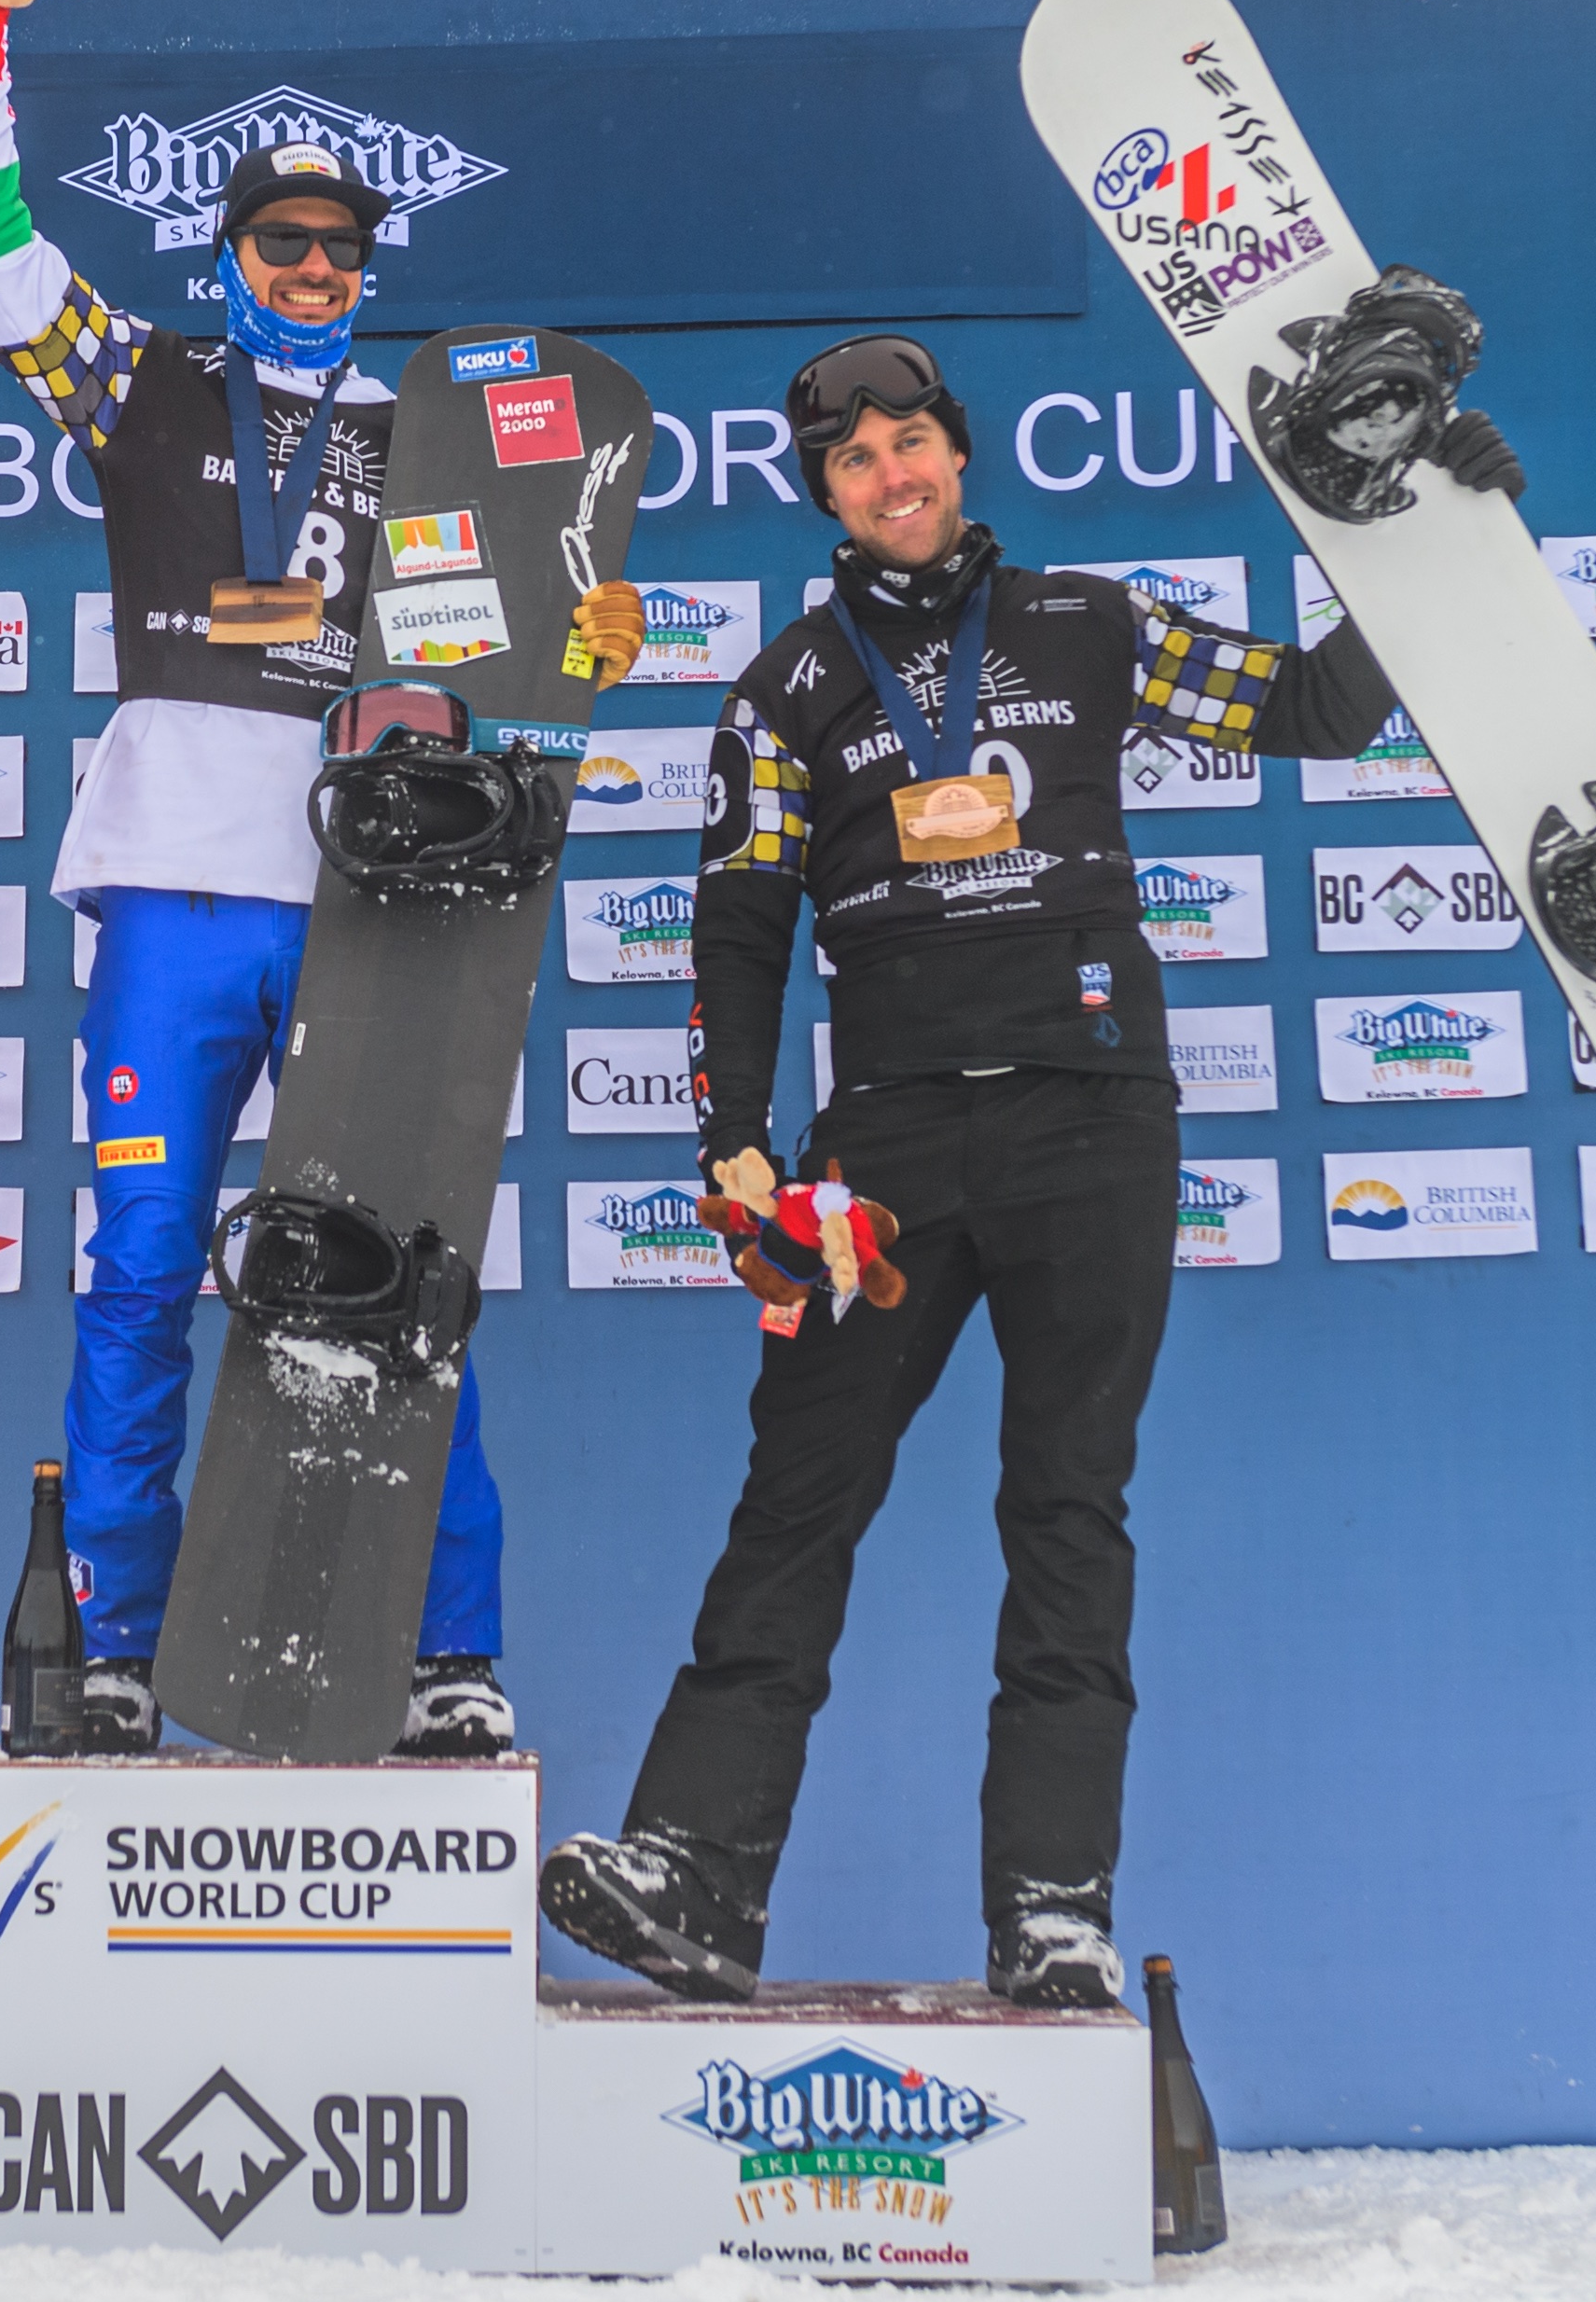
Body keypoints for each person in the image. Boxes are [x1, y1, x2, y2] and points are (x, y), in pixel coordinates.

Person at [541, 326, 1523, 2011]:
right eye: (852, 461)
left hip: (1091, 1126)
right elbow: (738, 928)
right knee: (800, 1500)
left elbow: (1306, 708)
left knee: (1065, 1511)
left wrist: (1439, 538)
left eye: (908, 443)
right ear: (825, 494)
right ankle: (692, 1872)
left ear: (956, 454)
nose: (889, 476)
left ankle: (1048, 1914)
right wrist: (731, 1140)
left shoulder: (1083, 622)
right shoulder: (782, 688)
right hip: (884, 1158)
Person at [0, 0, 641, 1756]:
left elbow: (526, 662)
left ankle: (442, 1652)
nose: (312, 268)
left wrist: (592, 635)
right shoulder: (143, 387)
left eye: (339, 249)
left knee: (401, 1284)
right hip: (174, 879)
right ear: (226, 253)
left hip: (372, 895)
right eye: (280, 243)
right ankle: (124, 1644)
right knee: (141, 1273)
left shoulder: (439, 441)